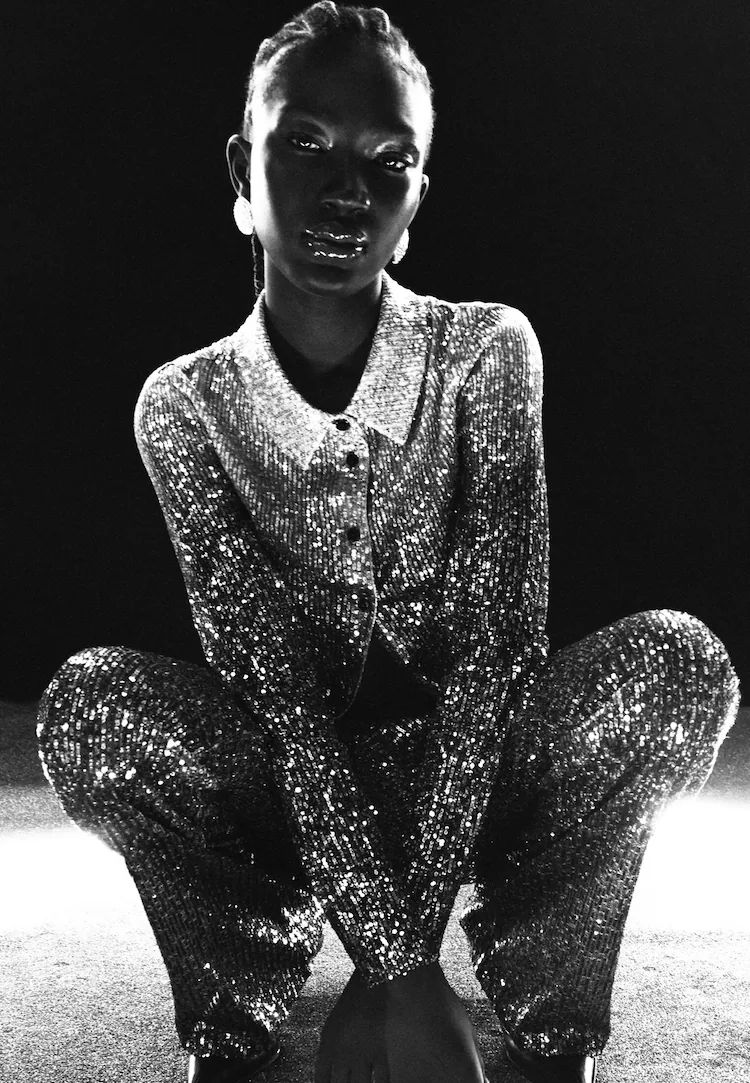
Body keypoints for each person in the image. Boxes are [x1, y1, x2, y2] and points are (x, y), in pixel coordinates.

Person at [36, 4, 741, 1083]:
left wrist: (395, 959)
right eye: (306, 144)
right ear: (241, 170)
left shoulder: (486, 352)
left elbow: (499, 655)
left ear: (413, 203)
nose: (346, 190)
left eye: (388, 161)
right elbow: (275, 697)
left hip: (483, 766)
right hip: (292, 782)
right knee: (91, 708)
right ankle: (239, 996)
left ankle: (546, 1004)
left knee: (679, 665)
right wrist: (398, 966)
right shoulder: (184, 406)